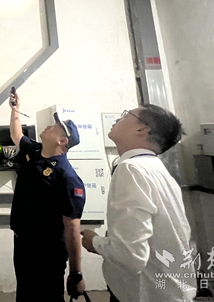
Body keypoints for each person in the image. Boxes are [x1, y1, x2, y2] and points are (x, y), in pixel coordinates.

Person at [81, 104, 196, 302]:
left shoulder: (132, 169)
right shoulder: (155, 169)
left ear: (142, 129)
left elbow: (129, 256)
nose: (117, 119)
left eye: (126, 115)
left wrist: (94, 241)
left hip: (147, 294)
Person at [9, 89, 87, 302]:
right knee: (25, 295)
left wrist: (76, 273)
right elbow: (17, 135)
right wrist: (15, 109)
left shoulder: (67, 177)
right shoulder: (34, 152)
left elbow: (72, 229)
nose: (48, 126)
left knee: (47, 296)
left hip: (47, 251)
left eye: (55, 127)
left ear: (62, 140)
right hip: (22, 243)